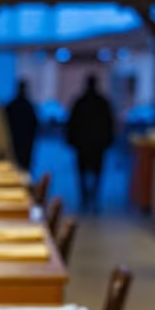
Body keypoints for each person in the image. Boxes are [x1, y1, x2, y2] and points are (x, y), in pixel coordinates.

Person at [67, 75, 114, 210]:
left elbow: (72, 124)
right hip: (97, 145)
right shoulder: (102, 102)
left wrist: (71, 141)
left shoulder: (80, 102)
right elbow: (109, 124)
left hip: (83, 144)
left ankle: (85, 197)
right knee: (97, 172)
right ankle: (93, 196)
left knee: (82, 172)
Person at [4, 80, 38, 171]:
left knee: (16, 168)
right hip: (23, 143)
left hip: (16, 142)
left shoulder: (11, 105)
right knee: (22, 168)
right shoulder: (29, 106)